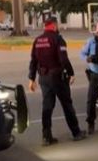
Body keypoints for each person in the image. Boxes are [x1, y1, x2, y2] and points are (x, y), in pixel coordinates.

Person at [28, 16, 86, 146]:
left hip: (43, 78)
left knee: (47, 107)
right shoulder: (58, 39)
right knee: (67, 105)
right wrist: (71, 73)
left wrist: (31, 78)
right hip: (58, 78)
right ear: (54, 25)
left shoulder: (37, 40)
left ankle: (46, 137)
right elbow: (63, 59)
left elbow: (33, 60)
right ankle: (76, 133)